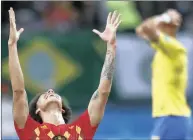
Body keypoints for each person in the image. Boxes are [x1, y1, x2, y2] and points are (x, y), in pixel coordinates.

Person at [8, 7, 121, 140]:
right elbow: (19, 91)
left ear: (62, 108)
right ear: (37, 110)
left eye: (51, 93)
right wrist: (12, 45)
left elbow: (102, 93)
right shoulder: (30, 131)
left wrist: (111, 46)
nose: (50, 91)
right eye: (44, 95)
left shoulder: (81, 129)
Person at [136, 9, 192, 140]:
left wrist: (164, 17)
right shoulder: (164, 48)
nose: (157, 25)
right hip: (168, 116)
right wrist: (163, 17)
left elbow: (147, 28)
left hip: (172, 116)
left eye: (160, 24)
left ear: (168, 27)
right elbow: (140, 30)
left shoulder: (175, 48)